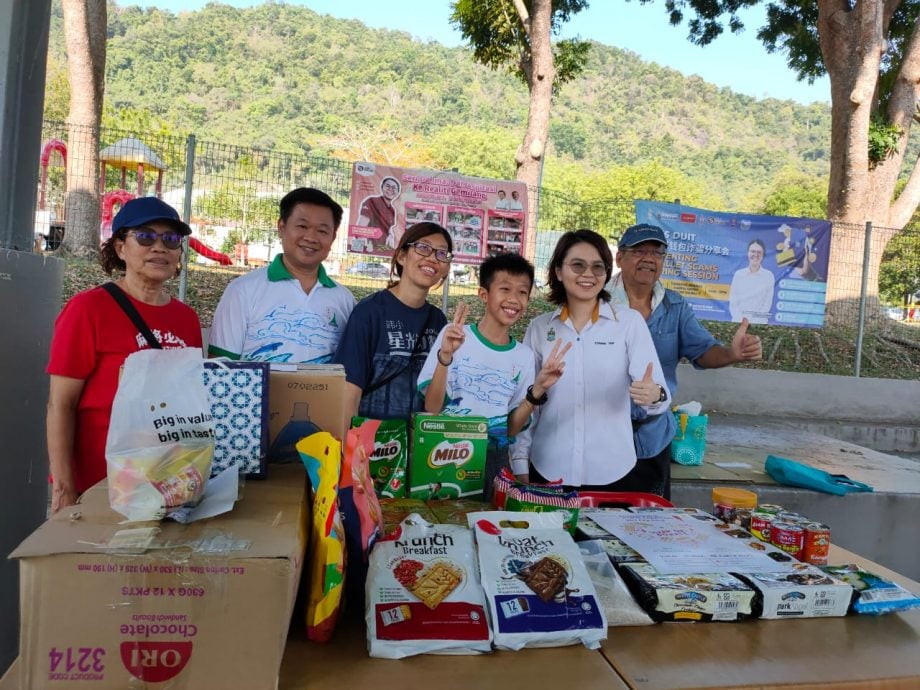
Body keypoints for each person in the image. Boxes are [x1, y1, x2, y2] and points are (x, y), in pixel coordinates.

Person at [46, 197, 203, 513]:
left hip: (167, 485)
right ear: (120, 248)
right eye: (145, 236)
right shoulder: (88, 310)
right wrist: (64, 490)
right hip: (97, 485)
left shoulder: (186, 319)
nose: (159, 247)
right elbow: (60, 405)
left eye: (171, 239)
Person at [611, 223, 763, 498]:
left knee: (648, 522)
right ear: (620, 257)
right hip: (602, 435)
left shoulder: (675, 306)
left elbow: (703, 351)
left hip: (653, 437)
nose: (648, 259)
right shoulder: (598, 301)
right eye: (639, 251)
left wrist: (732, 353)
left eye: (657, 253)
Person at [510, 229, 671, 490]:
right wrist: (519, 460)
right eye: (577, 265)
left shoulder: (628, 323)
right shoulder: (540, 329)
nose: (588, 274)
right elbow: (527, 401)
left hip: (614, 472)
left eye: (598, 267)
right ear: (559, 272)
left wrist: (654, 395)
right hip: (548, 467)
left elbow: (659, 395)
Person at [418, 253, 570, 497]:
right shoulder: (454, 335)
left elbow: (510, 430)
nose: (514, 299)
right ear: (484, 295)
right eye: (505, 289)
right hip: (443, 451)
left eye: (522, 292)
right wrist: (445, 356)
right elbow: (433, 407)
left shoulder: (524, 356)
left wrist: (537, 391)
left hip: (493, 460)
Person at [208, 187, 355, 363]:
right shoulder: (242, 291)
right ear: (281, 228)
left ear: (332, 238)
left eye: (322, 231)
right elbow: (220, 367)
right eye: (302, 226)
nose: (311, 237)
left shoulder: (344, 300)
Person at [334, 222, 453, 426]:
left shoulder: (438, 320)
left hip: (418, 444)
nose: (433, 258)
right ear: (401, 256)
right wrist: (349, 451)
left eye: (442, 253)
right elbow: (349, 390)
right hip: (372, 443)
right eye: (423, 248)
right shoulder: (370, 311)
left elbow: (435, 398)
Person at [729, 238, 775, 324]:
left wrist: (755, 322)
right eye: (752, 251)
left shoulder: (769, 276)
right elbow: (733, 302)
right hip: (738, 322)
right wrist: (741, 321)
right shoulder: (738, 275)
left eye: (759, 252)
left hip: (759, 324)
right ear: (748, 253)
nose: (755, 254)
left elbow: (767, 304)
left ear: (763, 255)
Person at [357, 176, 401, 248]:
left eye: (394, 188)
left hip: (381, 248)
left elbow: (389, 229)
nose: (390, 189)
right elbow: (361, 228)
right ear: (382, 187)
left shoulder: (392, 210)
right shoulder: (371, 201)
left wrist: (390, 239)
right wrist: (360, 247)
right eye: (388, 186)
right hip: (368, 247)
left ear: (398, 192)